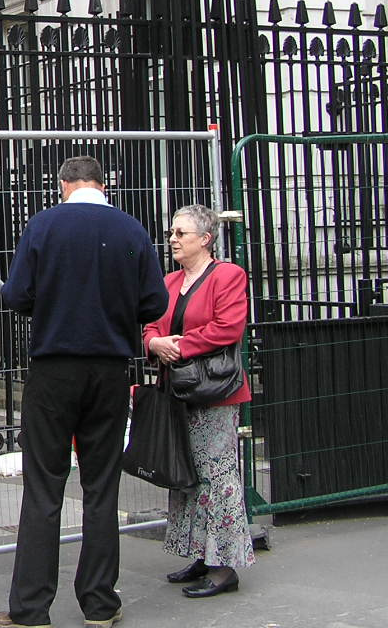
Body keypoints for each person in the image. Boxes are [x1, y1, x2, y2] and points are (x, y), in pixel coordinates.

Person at [0, 156, 167, 628]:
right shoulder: (131, 230)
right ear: (103, 184)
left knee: (44, 486)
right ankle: (99, 603)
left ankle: (30, 608)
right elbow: (155, 301)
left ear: (64, 184)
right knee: (101, 486)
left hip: (54, 368)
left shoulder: (44, 226)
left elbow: (15, 296)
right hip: (110, 368)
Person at [142, 204, 255, 598]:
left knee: (217, 475)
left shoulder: (228, 276)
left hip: (215, 392)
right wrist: (154, 342)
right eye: (172, 232)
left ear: (205, 239)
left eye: (181, 234)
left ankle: (225, 567)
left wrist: (180, 347)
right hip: (178, 390)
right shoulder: (170, 281)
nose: (172, 239)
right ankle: (201, 554)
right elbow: (151, 323)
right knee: (186, 473)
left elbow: (228, 326)